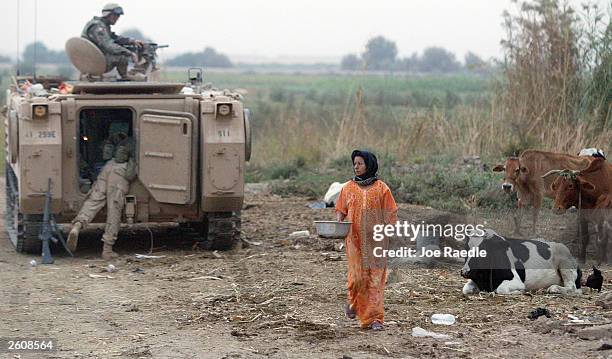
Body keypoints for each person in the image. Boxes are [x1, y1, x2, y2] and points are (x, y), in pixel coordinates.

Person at [335, 150, 398, 330]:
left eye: (360, 163)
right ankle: (354, 304)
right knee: (357, 279)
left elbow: (391, 212)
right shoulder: (348, 188)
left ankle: (375, 319)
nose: (356, 166)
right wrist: (337, 224)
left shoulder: (382, 188)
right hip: (354, 242)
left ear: (369, 165)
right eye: (354, 163)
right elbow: (340, 209)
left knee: (375, 280)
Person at [68, 140, 137, 260]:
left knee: (93, 201)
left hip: (108, 168)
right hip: (119, 174)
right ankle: (107, 249)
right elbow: (130, 175)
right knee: (114, 211)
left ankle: (78, 225)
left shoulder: (118, 145)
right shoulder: (135, 145)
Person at [81, 3, 146, 80]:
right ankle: (125, 76)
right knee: (122, 56)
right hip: (93, 60)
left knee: (123, 49)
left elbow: (114, 38)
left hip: (94, 58)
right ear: (107, 14)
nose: (117, 18)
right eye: (115, 15)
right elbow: (109, 45)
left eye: (118, 16)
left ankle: (127, 75)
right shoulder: (97, 27)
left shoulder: (103, 25)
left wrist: (132, 41)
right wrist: (129, 53)